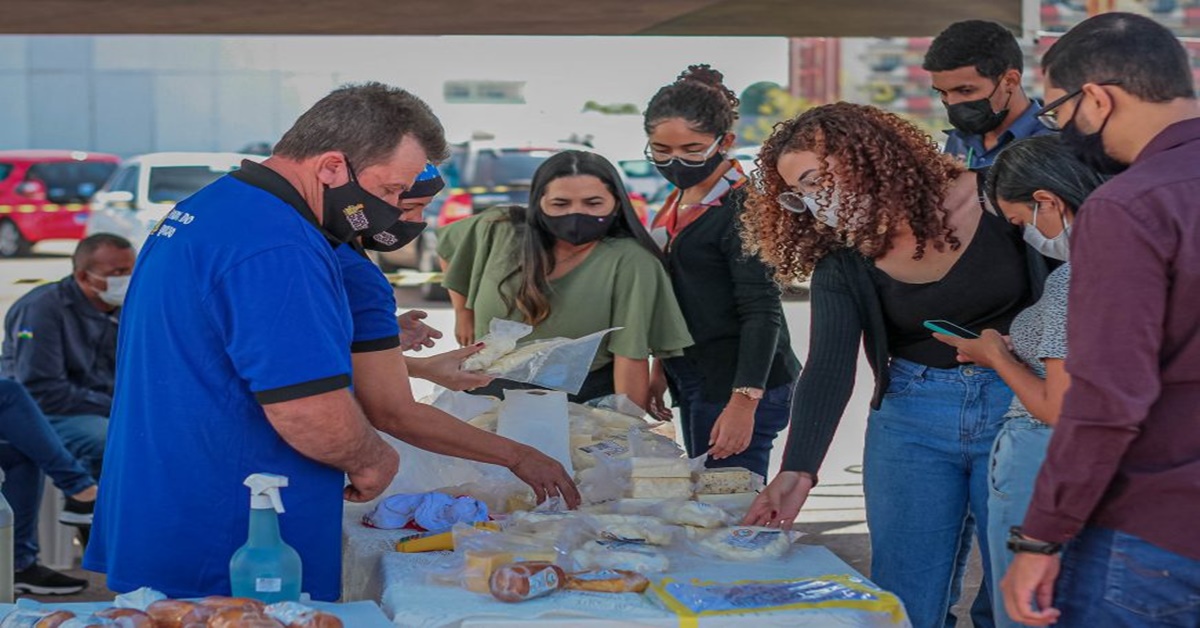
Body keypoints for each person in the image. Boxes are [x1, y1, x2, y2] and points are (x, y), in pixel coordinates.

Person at [85, 83, 446, 600]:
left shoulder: (218, 204)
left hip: (167, 499)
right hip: (233, 531)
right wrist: (373, 459)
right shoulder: (279, 245)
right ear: (331, 167)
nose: (392, 209)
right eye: (389, 191)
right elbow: (307, 409)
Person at [741, 102, 1052, 628]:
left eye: (819, 179)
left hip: (1020, 405)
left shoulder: (996, 199)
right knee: (905, 599)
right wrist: (798, 469)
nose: (819, 203)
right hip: (912, 420)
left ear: (870, 156)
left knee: (1015, 596)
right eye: (803, 194)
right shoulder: (844, 258)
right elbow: (828, 366)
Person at [999, 14, 1200, 627]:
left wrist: (1041, 536)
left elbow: (1105, 398)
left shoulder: (1131, 205)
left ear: (1096, 98)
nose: (1061, 131)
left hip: (1153, 535)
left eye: (1057, 114)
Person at [930, 136, 1104, 628]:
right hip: (1084, 462)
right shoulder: (1138, 259)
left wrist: (995, 357)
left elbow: (1058, 407)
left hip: (1038, 455)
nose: (1028, 235)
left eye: (1022, 222)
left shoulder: (1075, 275)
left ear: (1047, 199)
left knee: (1026, 610)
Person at [438, 150, 694, 411]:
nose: (576, 214)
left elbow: (630, 356)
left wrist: (627, 425)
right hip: (486, 397)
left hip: (580, 405)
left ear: (616, 204)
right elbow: (447, 247)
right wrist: (463, 310)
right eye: (560, 204)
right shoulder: (497, 228)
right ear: (539, 203)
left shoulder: (632, 262)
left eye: (593, 203)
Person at [642, 64, 801, 481]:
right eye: (661, 150)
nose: (675, 161)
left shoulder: (743, 207)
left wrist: (744, 404)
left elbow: (761, 310)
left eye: (692, 150)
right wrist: (662, 367)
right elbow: (686, 293)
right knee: (703, 497)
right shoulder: (678, 199)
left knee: (727, 509)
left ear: (725, 141)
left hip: (741, 383)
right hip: (696, 374)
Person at [1, 234, 134, 482]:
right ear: (84, 276)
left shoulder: (125, 309)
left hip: (101, 405)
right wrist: (118, 407)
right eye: (119, 272)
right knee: (115, 439)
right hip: (45, 412)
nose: (129, 280)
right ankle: (86, 504)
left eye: (133, 271)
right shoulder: (42, 309)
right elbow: (43, 391)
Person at [0, 379, 97, 595]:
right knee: (8, 391)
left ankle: (18, 565)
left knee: (21, 450)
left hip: (84, 406)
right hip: (59, 407)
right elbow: (43, 383)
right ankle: (80, 489)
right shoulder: (36, 344)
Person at [924, 20, 1055, 173]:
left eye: (965, 90)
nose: (951, 103)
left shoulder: (1053, 144)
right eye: (942, 92)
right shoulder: (959, 140)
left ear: (1010, 81)